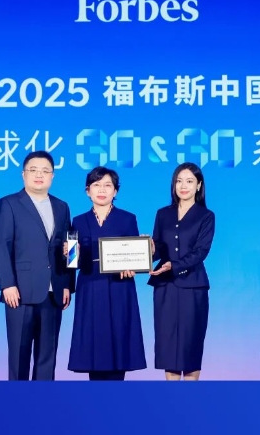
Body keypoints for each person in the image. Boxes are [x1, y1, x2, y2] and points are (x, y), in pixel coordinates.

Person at [0, 150, 75, 380]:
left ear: (52, 176)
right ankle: (17, 402)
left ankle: (42, 401)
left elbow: (69, 246)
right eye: (34, 170)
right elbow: (0, 245)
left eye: (45, 171)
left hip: (54, 292)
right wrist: (7, 284)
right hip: (20, 292)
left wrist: (67, 284)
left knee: (47, 357)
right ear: (23, 174)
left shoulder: (62, 207)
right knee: (19, 356)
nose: (39, 175)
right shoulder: (9, 204)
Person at [66, 166, 146, 380]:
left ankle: (117, 393)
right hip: (90, 285)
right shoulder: (78, 221)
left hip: (119, 286)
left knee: (119, 338)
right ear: (87, 191)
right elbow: (73, 263)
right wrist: (71, 253)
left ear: (115, 191)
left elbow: (134, 256)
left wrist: (133, 266)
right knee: (93, 341)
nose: (102, 190)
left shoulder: (128, 218)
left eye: (107, 185)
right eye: (96, 185)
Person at [148, 162, 215, 381]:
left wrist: (174, 265)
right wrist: (149, 249)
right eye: (179, 181)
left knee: (190, 345)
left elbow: (201, 251)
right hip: (165, 287)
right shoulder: (162, 214)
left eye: (189, 181)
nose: (183, 186)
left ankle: (190, 398)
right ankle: (172, 397)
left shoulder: (206, 216)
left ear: (199, 185)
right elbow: (159, 248)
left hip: (193, 287)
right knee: (168, 346)